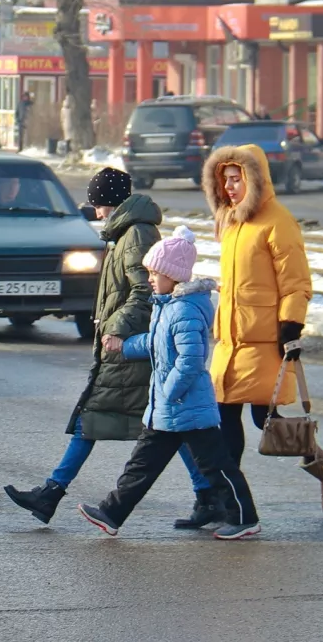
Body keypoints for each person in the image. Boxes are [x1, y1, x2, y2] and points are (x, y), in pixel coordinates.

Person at [4, 168, 220, 524]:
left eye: (97, 204)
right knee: (165, 426)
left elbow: (144, 290)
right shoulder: (127, 232)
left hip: (130, 344)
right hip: (128, 343)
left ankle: (51, 493)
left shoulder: (135, 235)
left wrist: (116, 330)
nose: (97, 212)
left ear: (108, 202)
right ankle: (207, 496)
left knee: (100, 420)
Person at [77, 226, 255, 540]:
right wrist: (124, 346)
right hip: (167, 408)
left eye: (155, 274)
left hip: (187, 407)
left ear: (173, 276)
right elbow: (156, 343)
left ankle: (244, 518)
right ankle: (111, 513)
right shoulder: (167, 307)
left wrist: (171, 392)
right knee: (141, 465)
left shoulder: (185, 309)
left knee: (216, 466)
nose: (149, 280)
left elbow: (190, 360)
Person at [201, 144, 323, 523]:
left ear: (255, 179)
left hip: (265, 340)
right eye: (226, 179)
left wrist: (291, 328)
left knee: (258, 419)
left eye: (237, 179)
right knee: (226, 415)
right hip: (232, 341)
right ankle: (224, 499)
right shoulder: (233, 223)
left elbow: (296, 283)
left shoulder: (277, 221)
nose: (230, 187)